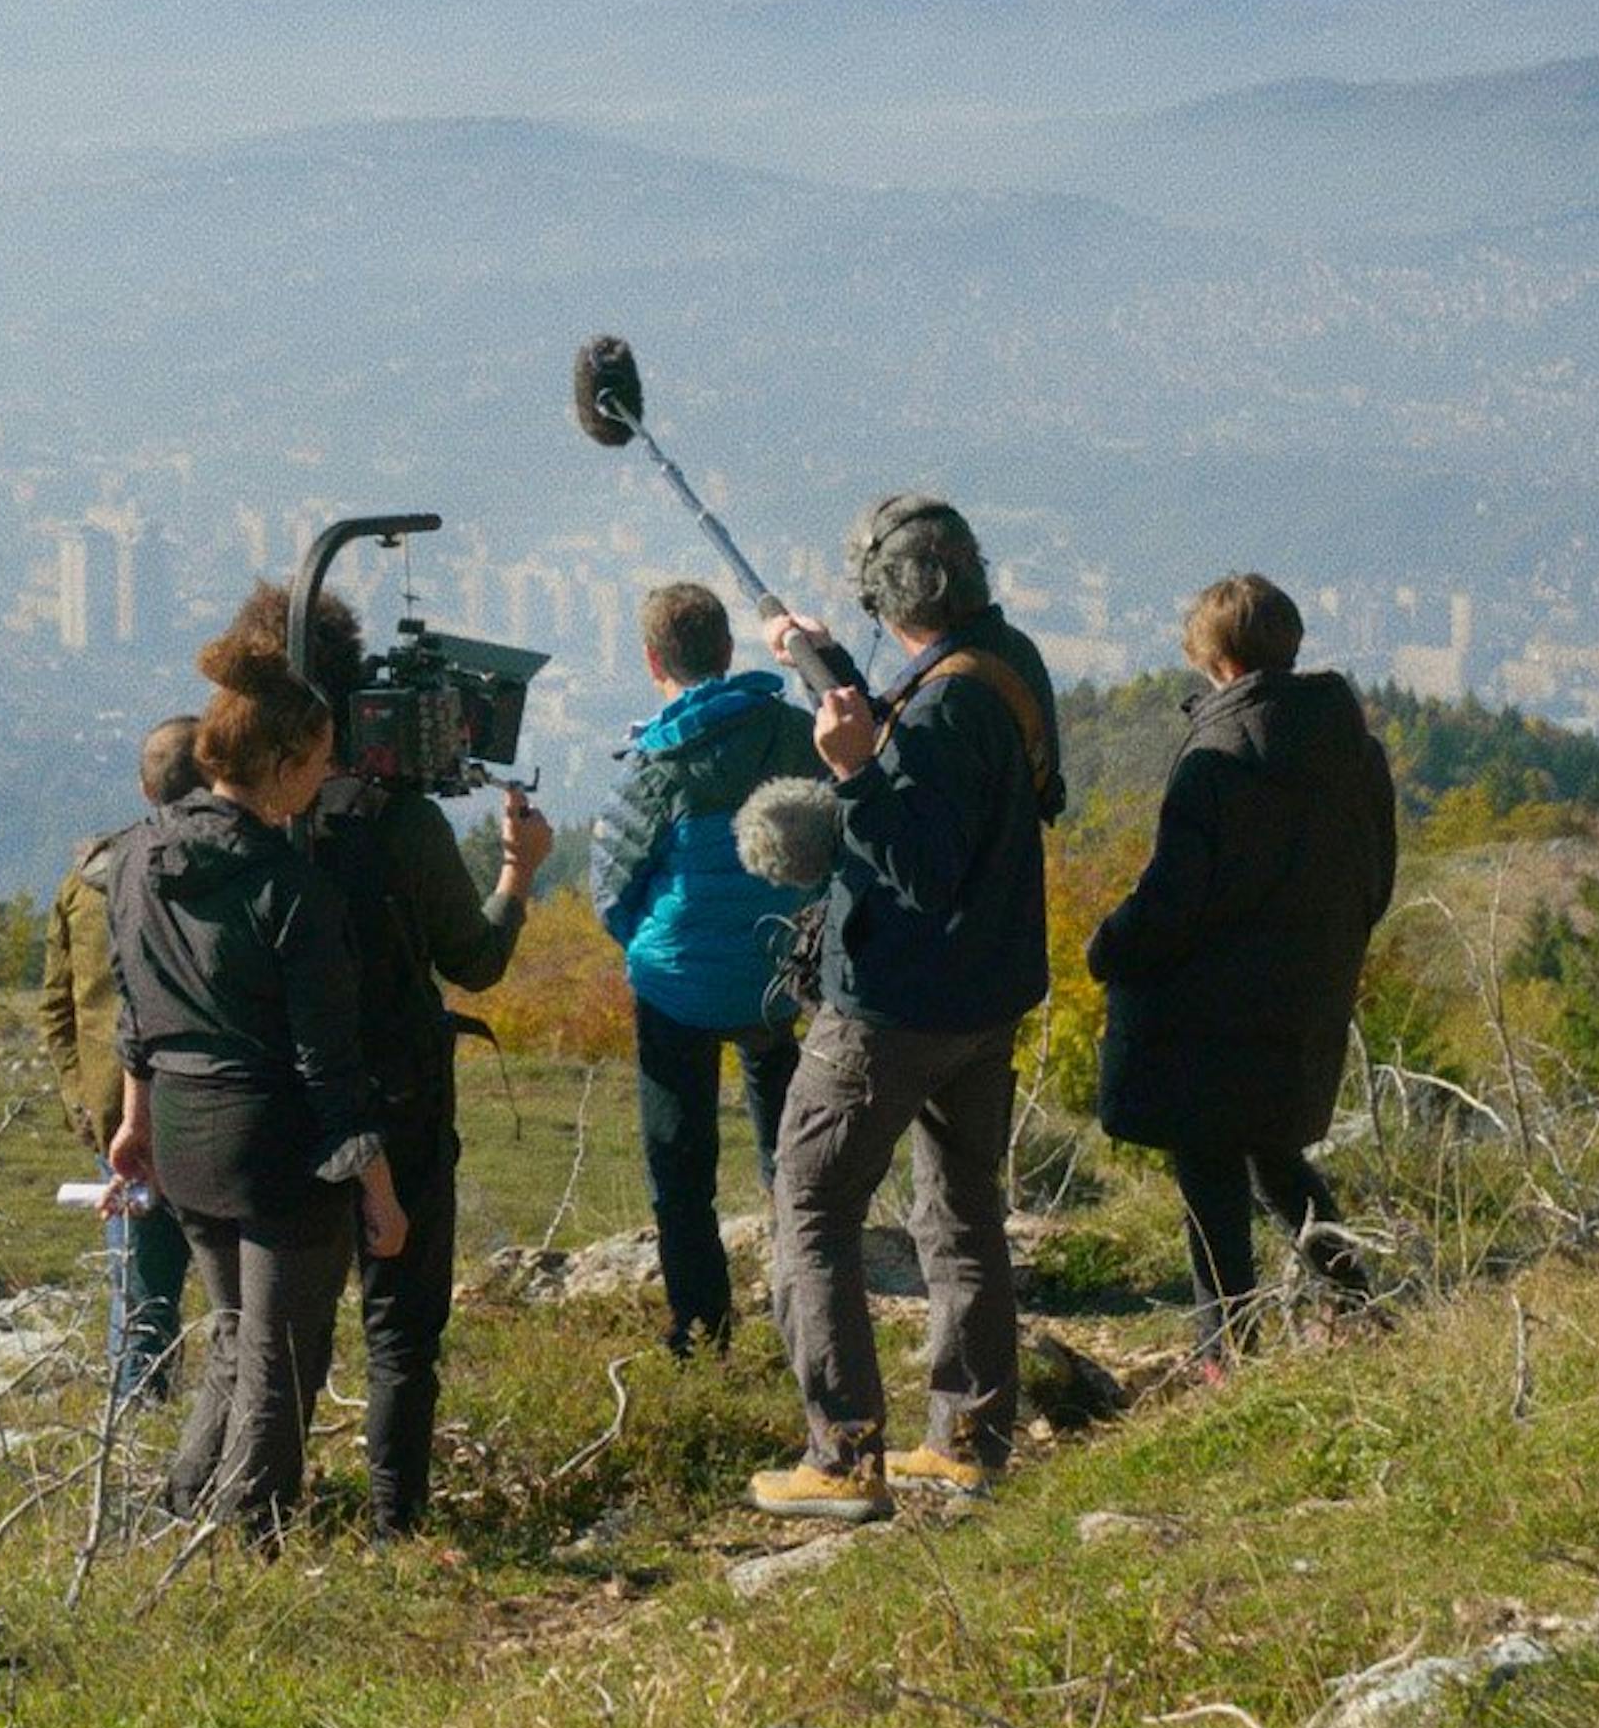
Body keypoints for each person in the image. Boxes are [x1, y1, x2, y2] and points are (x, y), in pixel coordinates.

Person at [751, 493, 1065, 1520]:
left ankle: (841, 1457)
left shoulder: (939, 707)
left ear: (891, 597)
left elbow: (922, 858)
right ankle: (968, 1440)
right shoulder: (1002, 664)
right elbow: (974, 791)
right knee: (962, 1210)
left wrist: (850, 771)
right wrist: (836, 669)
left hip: (892, 1006)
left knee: (809, 1200)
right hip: (986, 993)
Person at [231, 581, 548, 1540]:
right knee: (401, 1330)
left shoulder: (229, 821)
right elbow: (475, 960)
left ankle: (256, 1521)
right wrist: (517, 872)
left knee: (273, 1336)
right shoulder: (397, 823)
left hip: (271, 1100)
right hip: (397, 1094)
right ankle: (393, 1525)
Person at [108, 623, 409, 1538]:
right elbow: (330, 1064)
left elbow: (132, 1008)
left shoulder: (133, 859)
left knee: (236, 1335)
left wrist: (135, 1125)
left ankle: (179, 1509)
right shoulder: (291, 890)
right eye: (317, 758)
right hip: (273, 1147)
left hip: (183, 1134)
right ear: (277, 762)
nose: (326, 773)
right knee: (283, 1359)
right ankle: (252, 1536)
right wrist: (381, 1189)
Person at [1089, 573, 1395, 1373]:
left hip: (1210, 1011)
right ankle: (1355, 1304)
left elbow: (1174, 899)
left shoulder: (1217, 759)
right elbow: (1377, 880)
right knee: (1276, 1155)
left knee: (1212, 1173)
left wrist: (1110, 946)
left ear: (1216, 660)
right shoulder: (1355, 751)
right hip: (1306, 999)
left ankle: (1223, 1350)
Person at [594, 580, 826, 1358]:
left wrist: (646, 947)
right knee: (789, 1156)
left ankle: (702, 1328)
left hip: (678, 988)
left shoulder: (657, 761)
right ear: (729, 653)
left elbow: (611, 885)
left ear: (653, 659)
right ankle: (810, 1308)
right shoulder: (794, 732)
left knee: (679, 1165)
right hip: (774, 975)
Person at [38, 713, 206, 1401]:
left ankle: (135, 1446)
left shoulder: (86, 883)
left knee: (139, 1304)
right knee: (242, 1303)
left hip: (117, 1120)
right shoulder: (218, 874)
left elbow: (57, 1007)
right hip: (210, 1111)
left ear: (145, 789)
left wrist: (86, 1104)